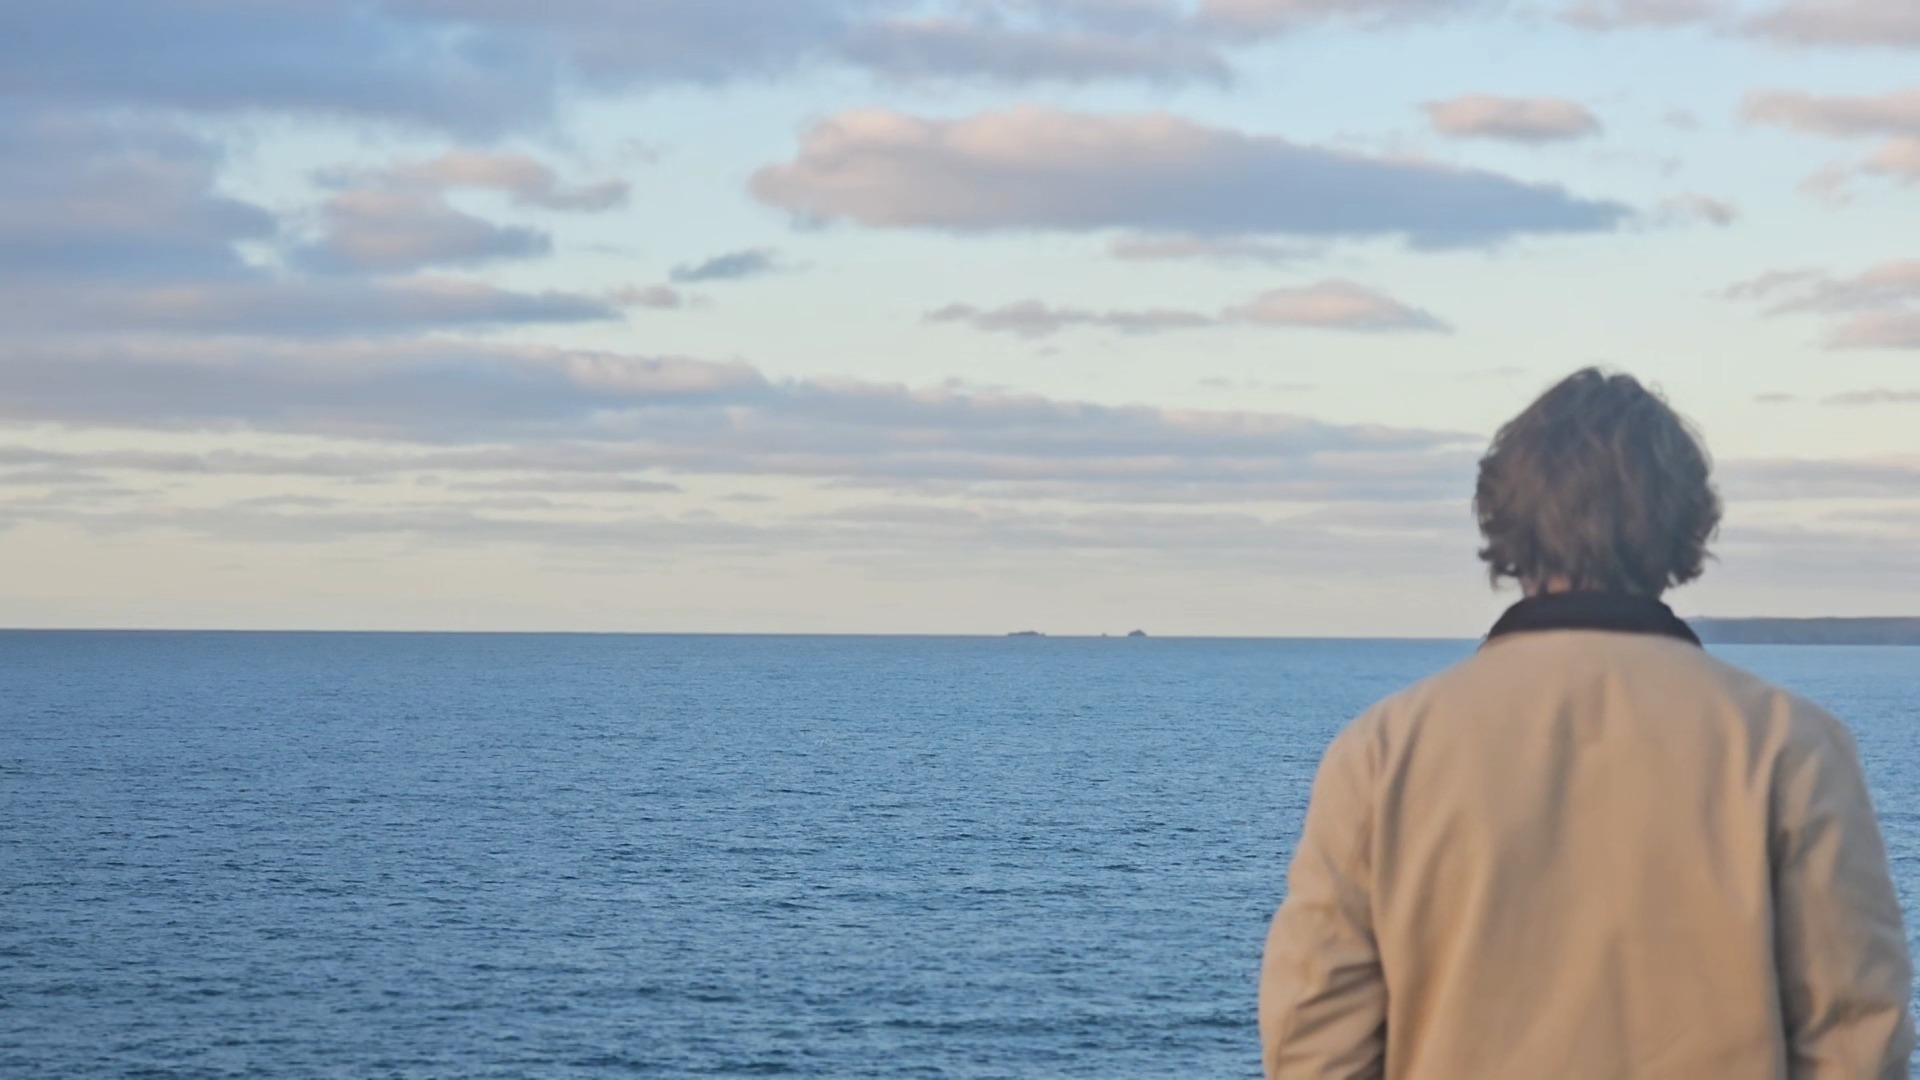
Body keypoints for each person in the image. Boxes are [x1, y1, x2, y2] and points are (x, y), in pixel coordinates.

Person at [1259, 368, 1913, 1078]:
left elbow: (1314, 1040)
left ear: (1503, 517)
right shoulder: (1793, 748)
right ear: (1687, 521)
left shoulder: (1383, 754)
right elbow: (1856, 1035)